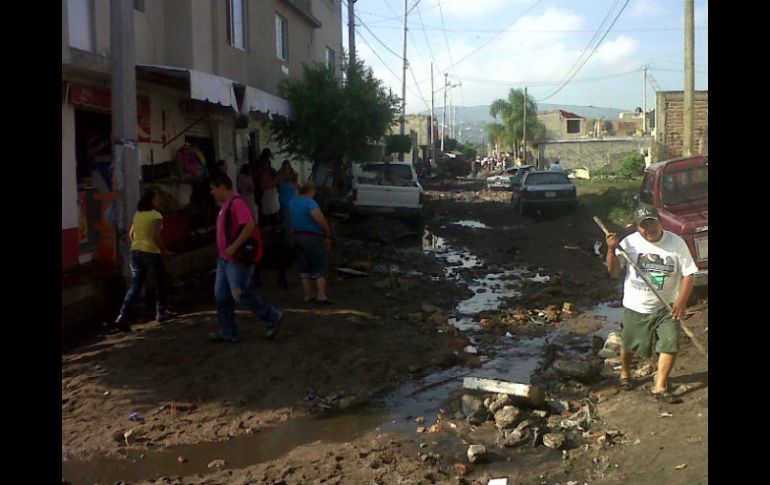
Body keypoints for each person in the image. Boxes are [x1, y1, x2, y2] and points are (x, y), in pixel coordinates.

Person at [604, 205, 697, 403]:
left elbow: (689, 274)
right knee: (629, 344)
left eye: (652, 223)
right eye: (643, 226)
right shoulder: (629, 243)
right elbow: (614, 271)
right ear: (638, 227)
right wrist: (612, 250)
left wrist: (681, 302)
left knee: (670, 343)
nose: (649, 229)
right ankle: (625, 374)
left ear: (659, 221)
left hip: (667, 306)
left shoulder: (676, 243)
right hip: (636, 306)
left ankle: (660, 386)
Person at [209, 174, 284, 343]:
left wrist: (234, 247)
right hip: (226, 258)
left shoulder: (237, 203)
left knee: (240, 293)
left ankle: (272, 316)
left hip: (236, 258)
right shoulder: (226, 205)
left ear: (222, 187)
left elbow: (249, 225)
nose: (212, 192)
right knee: (222, 295)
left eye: (213, 189)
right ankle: (227, 331)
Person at [114, 188, 177, 332]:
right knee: (161, 282)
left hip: (136, 252)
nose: (158, 201)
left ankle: (123, 314)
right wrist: (165, 251)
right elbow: (156, 236)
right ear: (153, 200)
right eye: (157, 198)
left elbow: (131, 234)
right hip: (151, 253)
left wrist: (138, 245)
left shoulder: (138, 214)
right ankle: (161, 312)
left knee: (136, 285)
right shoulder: (156, 215)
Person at [289, 182, 332, 304]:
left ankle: (308, 295)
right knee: (319, 265)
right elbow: (318, 218)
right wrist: (326, 228)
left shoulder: (292, 202)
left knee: (304, 266)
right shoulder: (310, 203)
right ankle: (321, 295)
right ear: (311, 191)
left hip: (297, 236)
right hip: (312, 237)